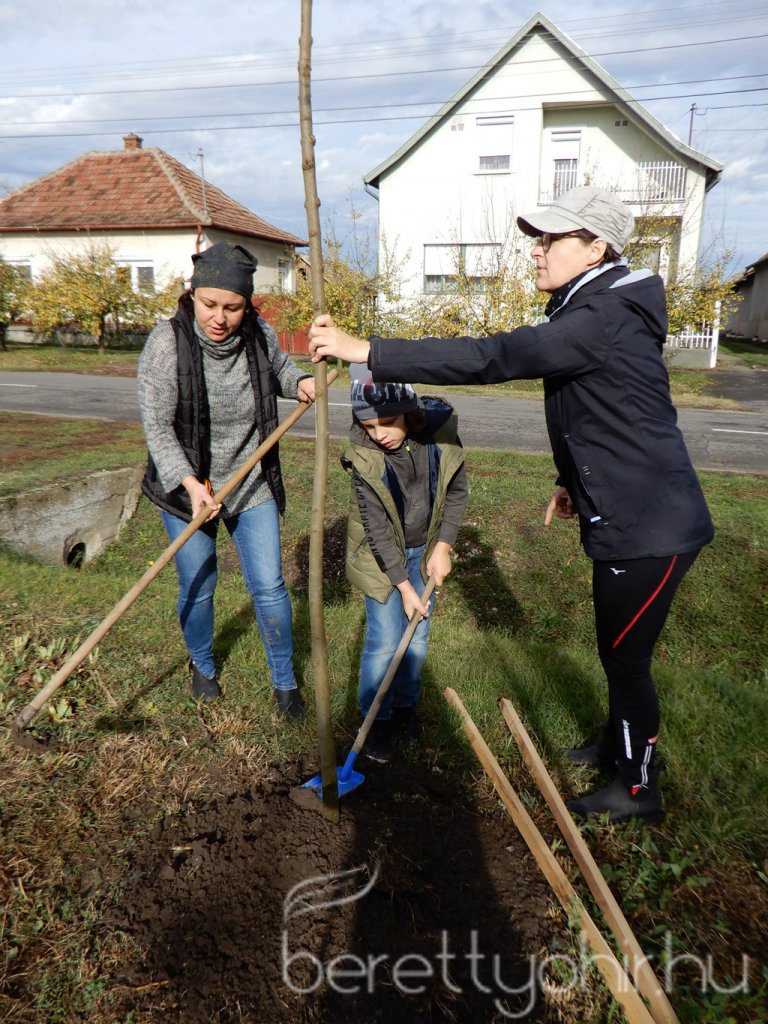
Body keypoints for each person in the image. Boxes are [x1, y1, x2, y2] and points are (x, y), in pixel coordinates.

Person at [308, 185, 714, 821]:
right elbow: (601, 412)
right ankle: (618, 744)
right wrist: (572, 481)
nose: (536, 250)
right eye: (537, 238)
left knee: (625, 659)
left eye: (551, 239)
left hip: (649, 526)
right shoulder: (596, 308)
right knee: (619, 653)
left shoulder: (600, 316)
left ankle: (637, 786)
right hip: (635, 510)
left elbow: (493, 357)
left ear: (595, 247)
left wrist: (368, 351)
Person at [138, 241, 315, 720]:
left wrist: (300, 382)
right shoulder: (166, 344)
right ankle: (202, 665)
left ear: (247, 305)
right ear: (192, 295)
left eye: (232, 307)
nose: (220, 317)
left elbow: (278, 369)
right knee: (199, 586)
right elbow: (156, 426)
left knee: (271, 585)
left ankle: (284, 682)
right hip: (185, 488)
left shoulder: (259, 335)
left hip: (250, 479)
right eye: (209, 304)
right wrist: (193, 486)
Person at [343, 362, 468, 763]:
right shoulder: (363, 456)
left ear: (410, 412)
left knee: (417, 637)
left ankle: (404, 712)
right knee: (384, 641)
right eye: (370, 426)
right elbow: (376, 529)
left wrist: (443, 547)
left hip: (426, 549)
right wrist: (405, 587)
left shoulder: (440, 436)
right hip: (382, 560)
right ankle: (375, 720)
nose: (380, 434)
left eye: (389, 422)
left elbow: (457, 493)